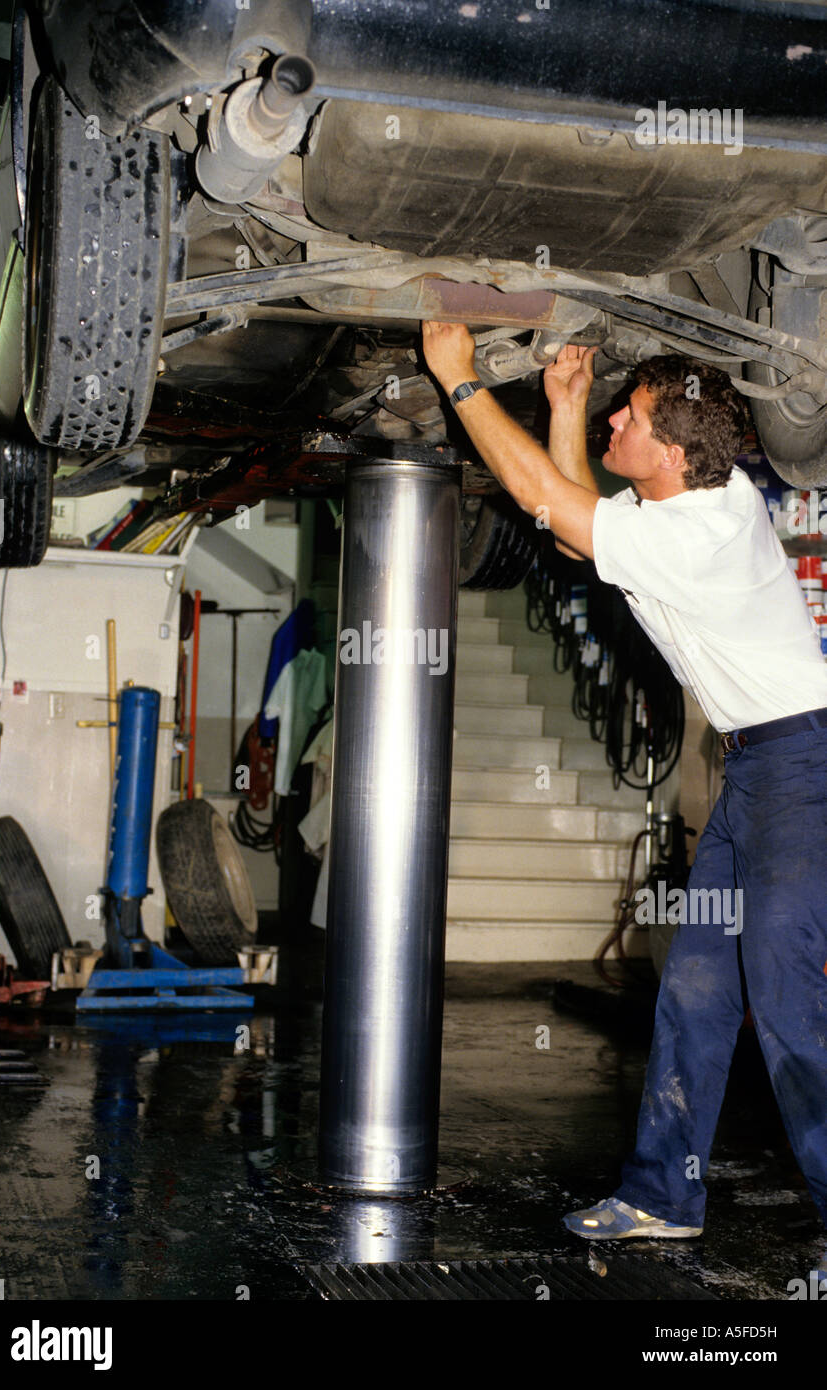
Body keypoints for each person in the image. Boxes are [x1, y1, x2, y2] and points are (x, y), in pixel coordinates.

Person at [422, 320, 827, 1282]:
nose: (616, 421)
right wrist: (565, 408)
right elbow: (573, 532)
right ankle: (660, 1197)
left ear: (673, 455)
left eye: (629, 418)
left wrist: (462, 381)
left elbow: (541, 502)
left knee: (786, 1001)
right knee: (692, 991)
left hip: (805, 774)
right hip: (760, 771)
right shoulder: (702, 493)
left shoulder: (700, 537)